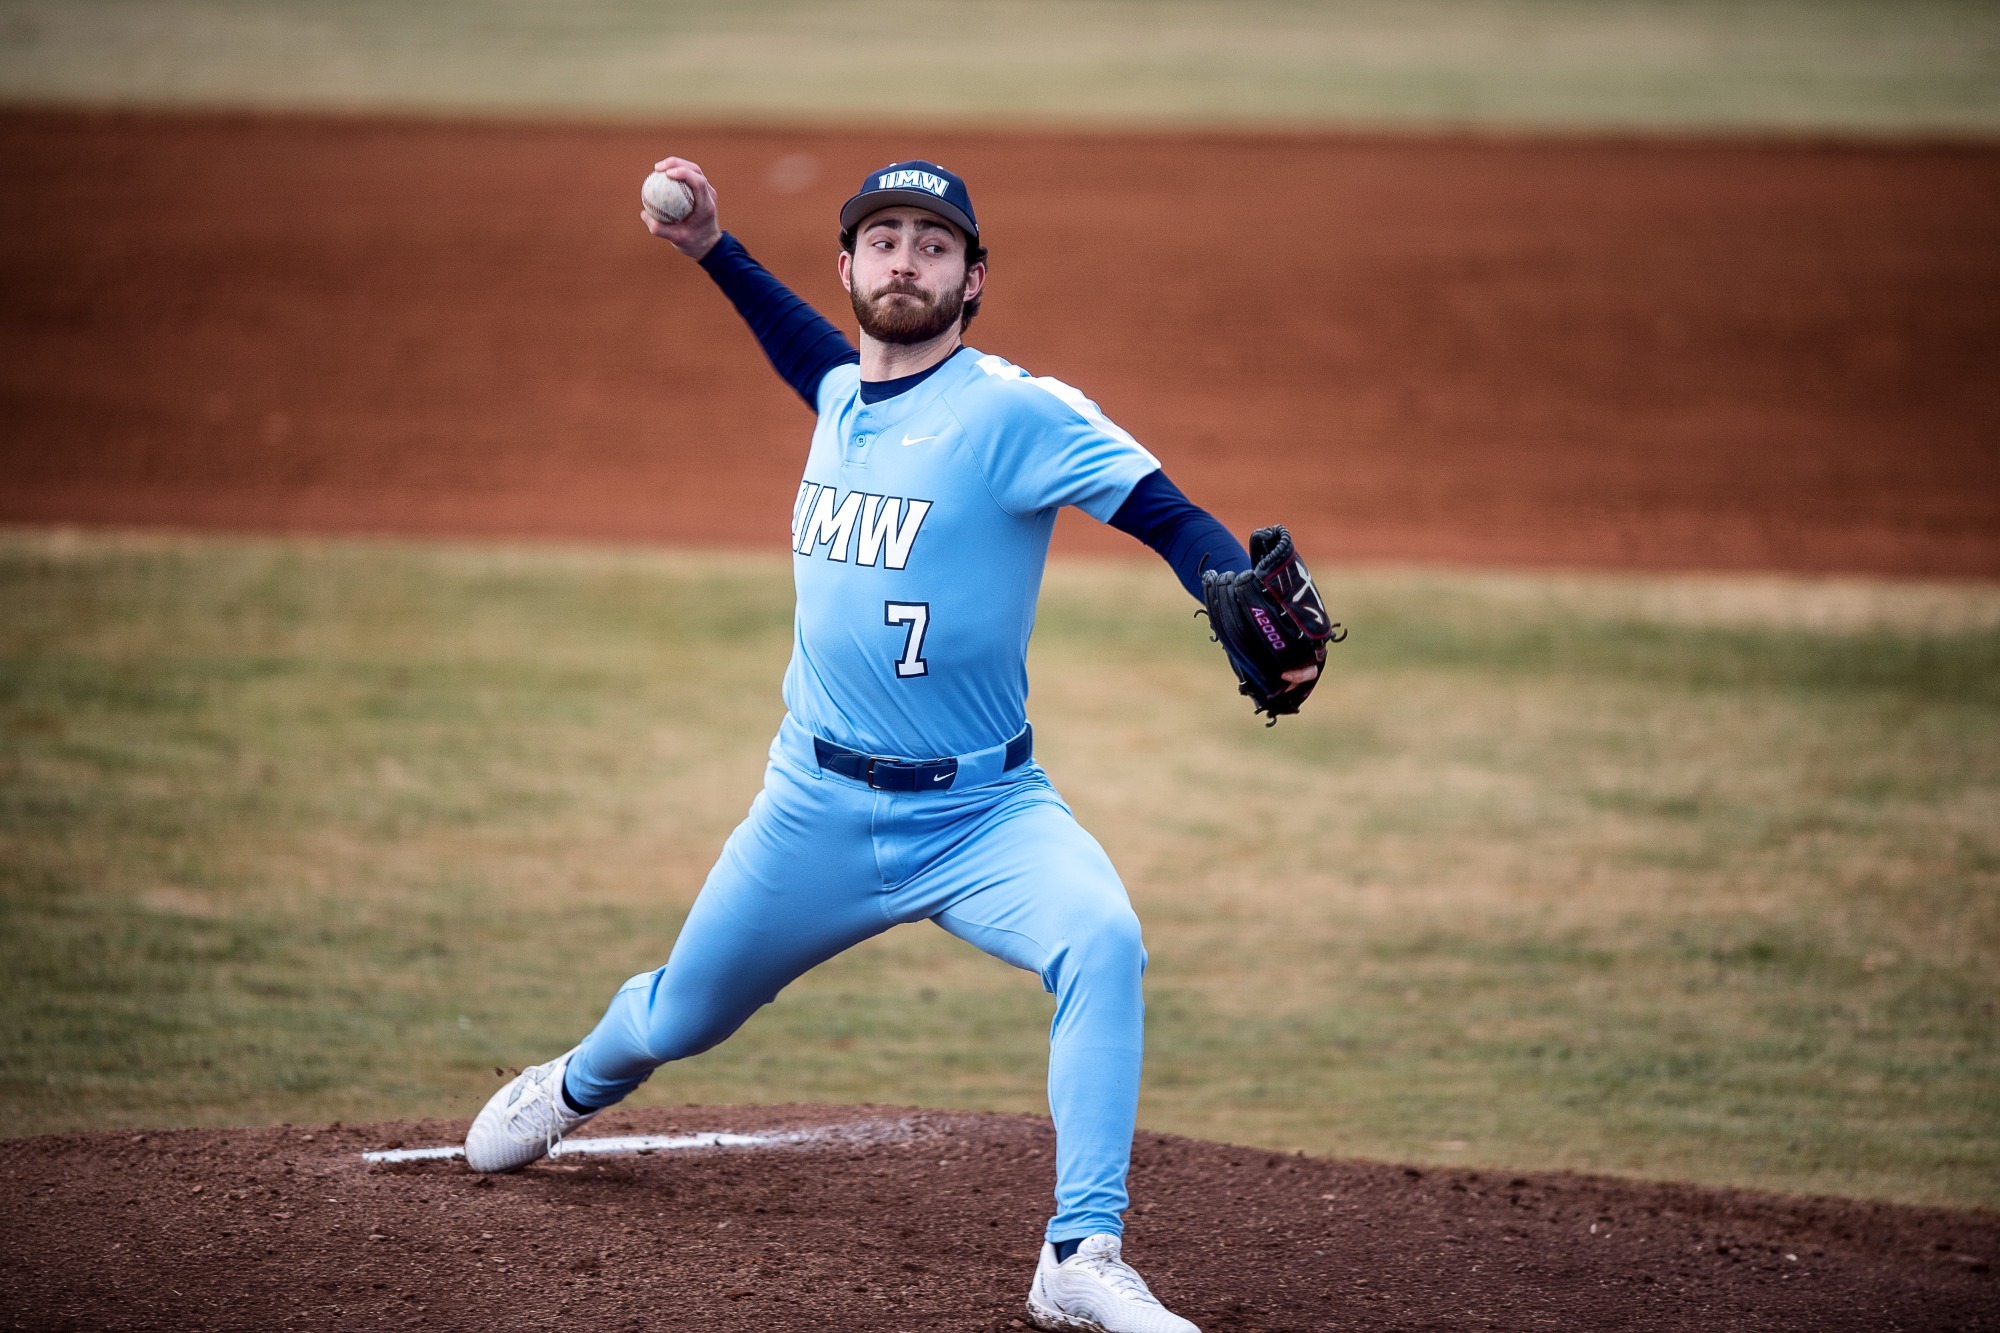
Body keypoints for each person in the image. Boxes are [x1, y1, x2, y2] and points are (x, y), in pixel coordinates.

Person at [467, 156, 1321, 1333]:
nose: (904, 260)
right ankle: (570, 1084)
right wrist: (712, 245)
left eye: (932, 243)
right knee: (679, 1015)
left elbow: (1166, 512)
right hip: (809, 813)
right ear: (849, 267)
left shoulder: (1013, 411)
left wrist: (1232, 584)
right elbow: (798, 349)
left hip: (985, 815)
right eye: (882, 240)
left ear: (972, 278)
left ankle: (1078, 1251)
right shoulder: (835, 394)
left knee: (1102, 940)